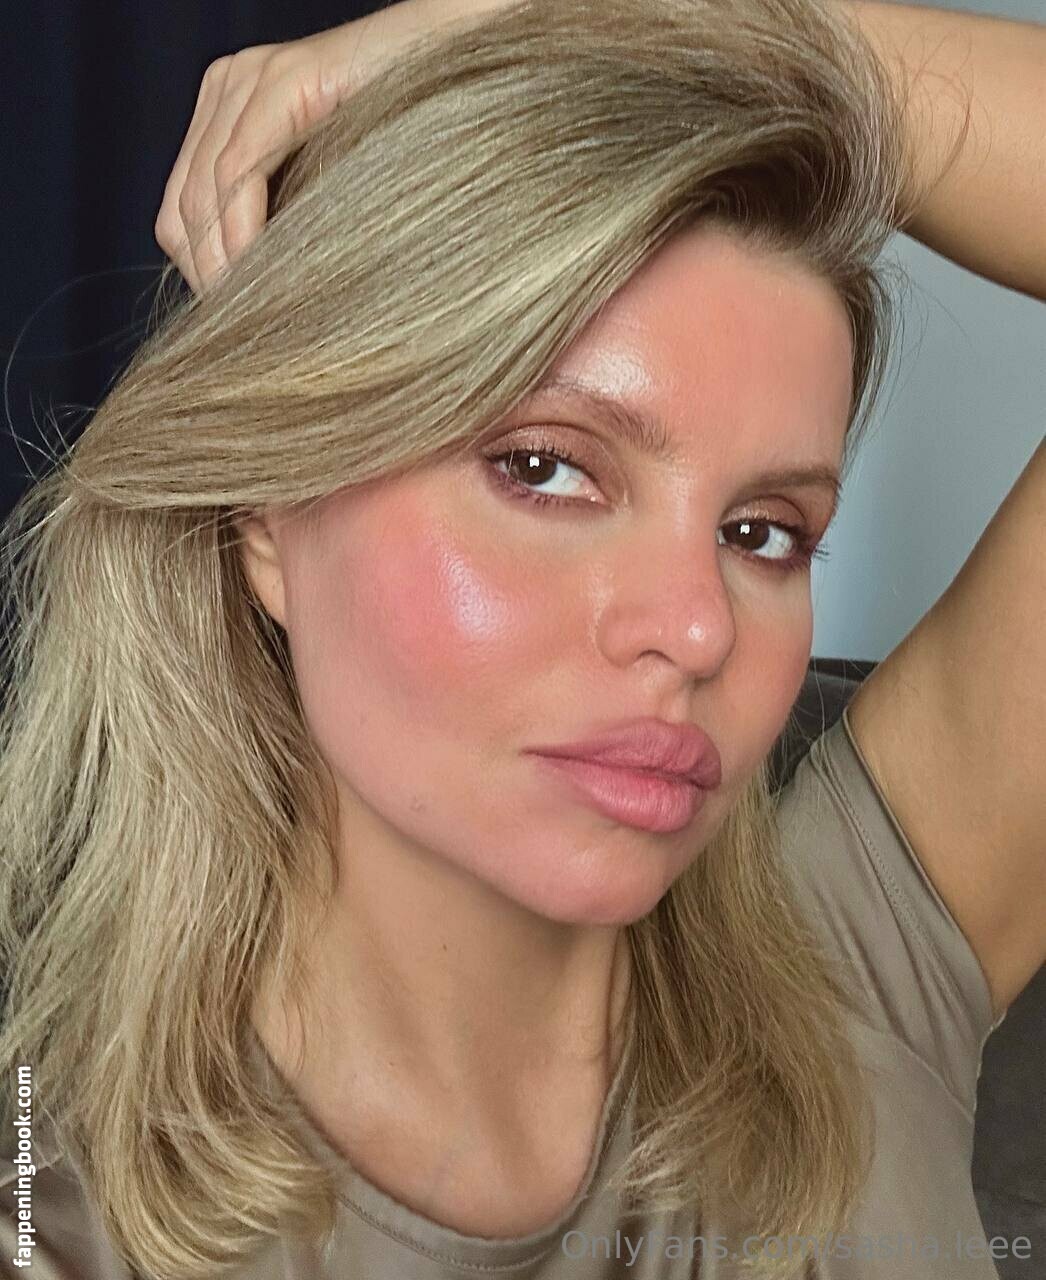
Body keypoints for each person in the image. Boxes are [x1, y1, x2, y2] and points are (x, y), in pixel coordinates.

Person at [0, 1, 1042, 1278]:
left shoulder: (860, 972)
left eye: (763, 532)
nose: (697, 626)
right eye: (545, 468)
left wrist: (564, 19)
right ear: (268, 509)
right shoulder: (54, 1220)